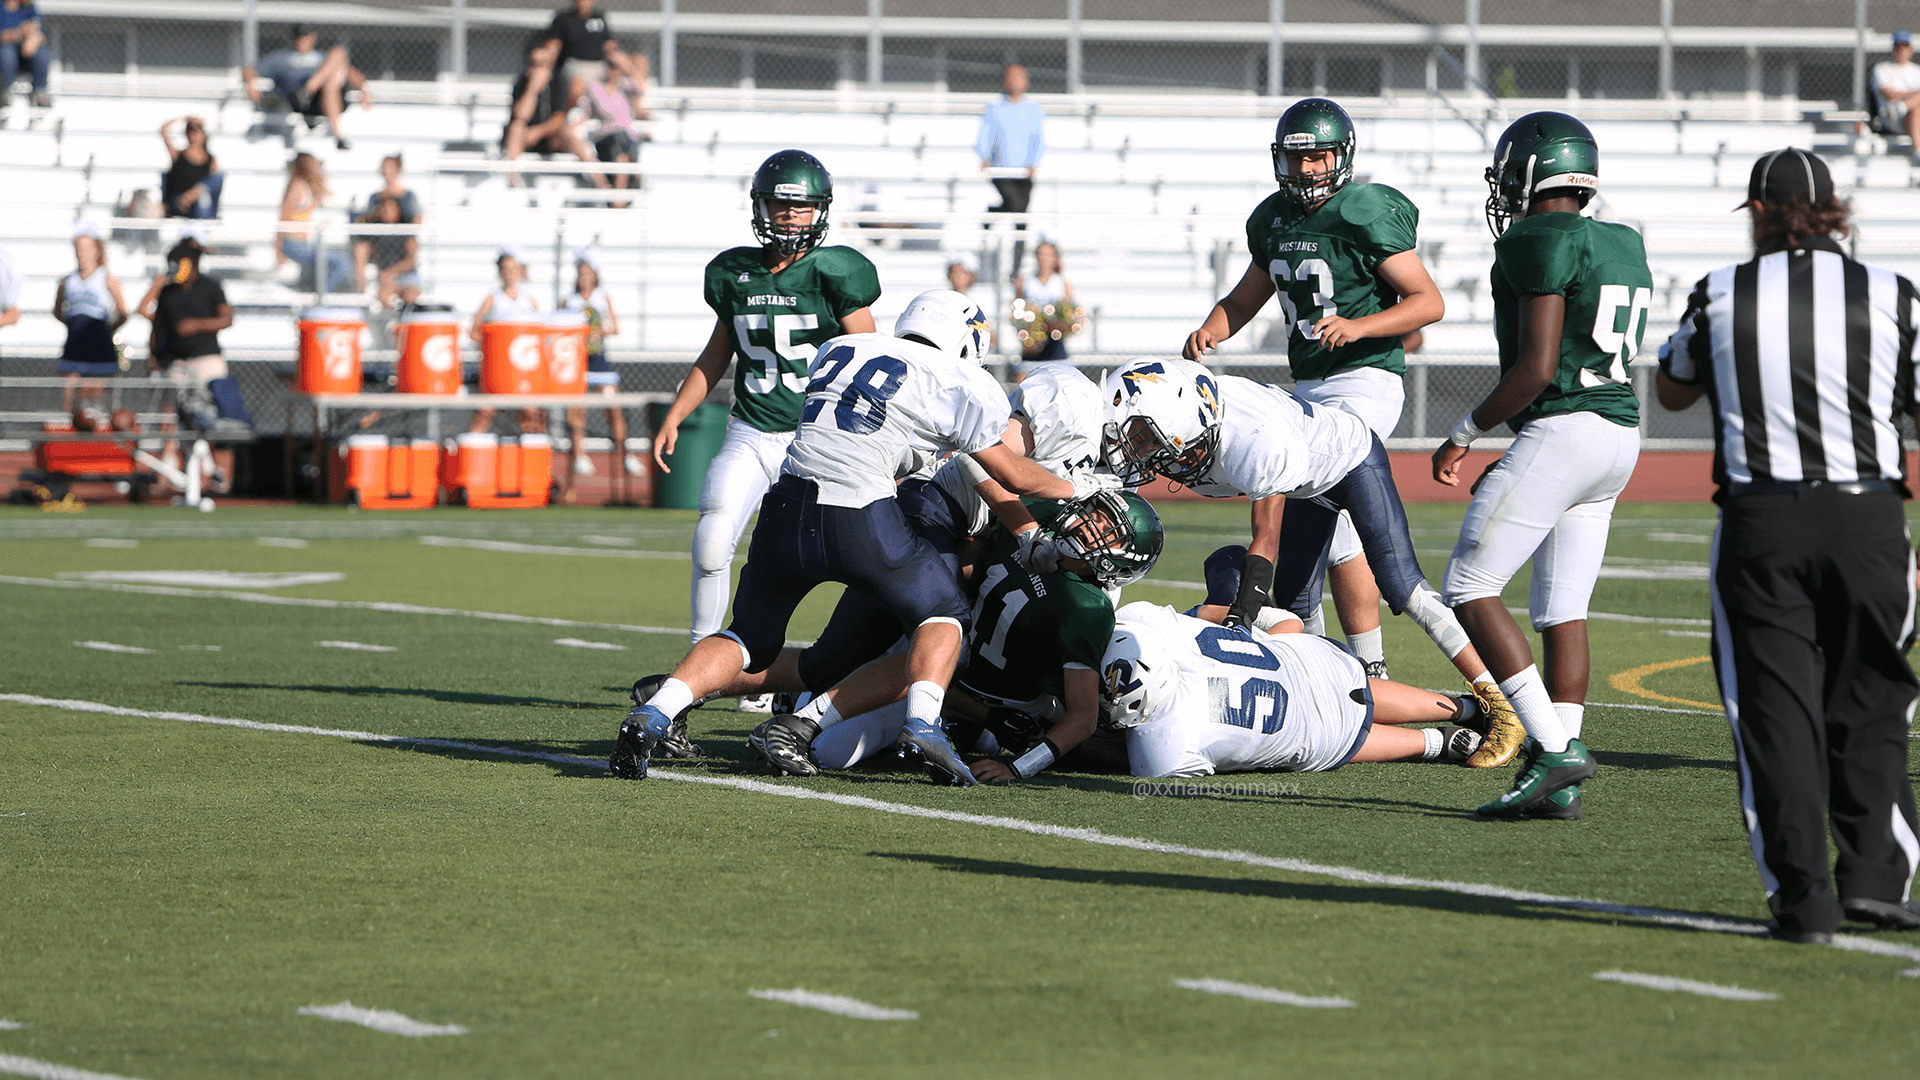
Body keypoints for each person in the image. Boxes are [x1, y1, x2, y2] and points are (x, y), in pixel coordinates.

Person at [614, 290, 1110, 786]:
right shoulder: (961, 378)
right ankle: (923, 724)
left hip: (785, 504)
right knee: (943, 614)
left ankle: (657, 711)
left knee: (747, 636)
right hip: (860, 513)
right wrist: (1080, 488)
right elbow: (1012, 476)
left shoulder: (839, 348)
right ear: (965, 343)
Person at [1656, 147, 1920, 942]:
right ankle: (1875, 879)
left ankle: (1805, 902)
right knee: (1874, 702)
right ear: (1834, 210)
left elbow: (1672, 388)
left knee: (1775, 715)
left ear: (1760, 213)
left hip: (1763, 521)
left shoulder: (1720, 290)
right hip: (1870, 517)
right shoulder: (1893, 293)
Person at [1100, 355, 1522, 755]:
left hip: (1350, 462)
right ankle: (1337, 702)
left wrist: (1239, 620)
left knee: (1402, 586)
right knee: (1296, 609)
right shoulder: (1191, 421)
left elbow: (1266, 539)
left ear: (1185, 424)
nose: (1138, 450)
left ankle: (1502, 702)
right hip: (1305, 483)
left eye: (1145, 438)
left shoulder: (1253, 436)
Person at [1430, 112, 1648, 820]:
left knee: (1470, 585)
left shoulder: (1535, 238)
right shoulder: (1624, 240)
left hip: (1565, 430)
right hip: (1619, 435)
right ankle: (1564, 777)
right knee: (1563, 609)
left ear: (1529, 173)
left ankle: (1555, 751)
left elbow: (1536, 370)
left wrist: (1464, 432)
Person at [1185, 97, 1446, 682]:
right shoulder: (1273, 218)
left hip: (1365, 380)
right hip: (1309, 387)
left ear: (1341, 156)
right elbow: (1243, 299)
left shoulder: (1364, 211)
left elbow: (1428, 302)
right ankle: (1341, 665)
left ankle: (1356, 666)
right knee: (1334, 526)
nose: (1306, 169)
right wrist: (1210, 329)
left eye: (1318, 157)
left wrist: (1359, 327)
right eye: (1296, 158)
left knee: (1326, 506)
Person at [652, 149, 880, 713]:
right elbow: (716, 356)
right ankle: (699, 671)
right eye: (780, 204)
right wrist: (676, 413)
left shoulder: (835, 272)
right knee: (712, 540)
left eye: (801, 207)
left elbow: (873, 358)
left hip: (819, 442)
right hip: (752, 431)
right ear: (760, 206)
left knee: (844, 558)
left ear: (821, 211)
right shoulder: (735, 273)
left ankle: (822, 673)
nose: (790, 216)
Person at [768, 491, 1164, 782]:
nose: (1090, 524)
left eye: (1108, 529)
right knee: (828, 742)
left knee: (829, 751)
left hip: (984, 701)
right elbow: (969, 548)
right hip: (931, 670)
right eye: (1096, 512)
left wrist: (1018, 768)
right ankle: (818, 698)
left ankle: (951, 732)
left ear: (1123, 561)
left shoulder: (1089, 610)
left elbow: (1082, 715)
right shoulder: (1037, 520)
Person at [1101, 602, 1487, 778]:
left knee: (1333, 732)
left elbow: (1127, 755)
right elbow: (1205, 612)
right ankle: (1467, 707)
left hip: (1317, 734)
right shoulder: (1147, 623)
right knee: (1354, 688)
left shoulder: (1163, 746)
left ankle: (1437, 743)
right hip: (1311, 658)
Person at [143, 241, 237, 489]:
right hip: (176, 362)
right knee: (171, 416)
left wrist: (197, 325)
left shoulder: (210, 286)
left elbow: (227, 318)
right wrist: (153, 354)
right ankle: (167, 473)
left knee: (213, 416)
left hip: (206, 360)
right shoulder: (168, 291)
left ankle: (219, 475)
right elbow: (154, 322)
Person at [562, 246, 635, 486]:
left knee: (612, 406)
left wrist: (597, 331)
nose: (584, 278)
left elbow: (615, 327)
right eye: (581, 273)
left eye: (588, 274)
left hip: (599, 360)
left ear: (594, 275)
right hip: (576, 361)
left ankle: (624, 453)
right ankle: (580, 454)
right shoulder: (568, 300)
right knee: (578, 410)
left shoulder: (602, 297)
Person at [500, 36, 608, 191]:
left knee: (568, 131)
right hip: (527, 138)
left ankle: (600, 179)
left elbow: (559, 118)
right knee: (516, 128)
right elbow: (520, 116)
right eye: (535, 64)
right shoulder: (522, 82)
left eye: (544, 64)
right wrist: (532, 89)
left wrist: (538, 132)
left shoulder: (558, 81)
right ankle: (512, 179)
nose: (539, 69)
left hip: (551, 137)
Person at [244, 24, 369, 151]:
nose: (303, 41)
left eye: (306, 37)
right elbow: (249, 70)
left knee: (338, 53)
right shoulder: (281, 58)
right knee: (336, 62)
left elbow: (352, 74)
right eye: (299, 37)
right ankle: (336, 132)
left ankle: (309, 89)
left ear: (313, 37)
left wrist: (364, 90)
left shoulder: (323, 57)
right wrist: (251, 85)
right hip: (298, 100)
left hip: (323, 98)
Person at [976, 63, 1045, 280]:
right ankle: (1015, 268)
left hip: (1024, 173)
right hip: (1001, 170)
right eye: (1012, 77)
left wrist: (1033, 162)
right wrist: (984, 157)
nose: (1016, 81)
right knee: (1018, 209)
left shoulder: (1033, 109)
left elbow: (1038, 139)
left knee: (1021, 219)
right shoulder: (994, 108)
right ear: (1005, 81)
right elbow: (985, 134)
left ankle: (1016, 268)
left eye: (1020, 77)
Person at [53, 222, 129, 416]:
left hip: (98, 345)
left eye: (86, 248)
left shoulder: (105, 277)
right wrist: (74, 325)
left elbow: (122, 312)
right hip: (74, 345)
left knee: (94, 402)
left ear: (96, 251)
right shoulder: (67, 280)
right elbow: (58, 311)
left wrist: (106, 329)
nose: (81, 253)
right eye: (78, 248)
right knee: (69, 398)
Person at [468, 246, 545, 436]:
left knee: (531, 414)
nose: (509, 273)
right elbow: (474, 331)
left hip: (523, 370)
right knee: (485, 412)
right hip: (498, 369)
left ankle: (533, 451)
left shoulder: (529, 298)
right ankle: (472, 448)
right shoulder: (493, 298)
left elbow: (540, 331)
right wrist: (493, 348)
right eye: (505, 269)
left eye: (513, 268)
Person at [542, 0, 649, 116]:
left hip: (601, 65)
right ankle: (568, 117)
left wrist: (618, 57)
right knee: (577, 87)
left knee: (639, 60)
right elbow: (554, 46)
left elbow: (609, 43)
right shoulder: (563, 18)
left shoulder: (599, 17)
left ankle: (637, 106)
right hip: (576, 65)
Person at [277, 153, 352, 295]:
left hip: (303, 242)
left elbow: (326, 195)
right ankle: (321, 297)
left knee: (340, 260)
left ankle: (318, 293)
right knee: (342, 263)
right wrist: (278, 250)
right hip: (293, 243)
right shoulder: (297, 187)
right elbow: (283, 219)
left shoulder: (306, 186)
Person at [585, 66, 648, 203]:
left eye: (618, 67)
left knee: (623, 154)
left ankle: (619, 200)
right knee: (622, 153)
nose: (615, 71)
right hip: (607, 136)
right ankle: (620, 199)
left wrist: (625, 63)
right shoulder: (596, 87)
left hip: (627, 138)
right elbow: (604, 111)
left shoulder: (625, 85)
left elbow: (643, 88)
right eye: (612, 66)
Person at [351, 194, 421, 312]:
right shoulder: (376, 232)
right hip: (385, 278)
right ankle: (391, 320)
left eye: (391, 207)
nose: (387, 211)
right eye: (383, 208)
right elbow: (360, 223)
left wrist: (391, 272)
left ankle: (405, 318)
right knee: (384, 296)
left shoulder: (406, 231)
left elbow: (411, 260)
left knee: (410, 295)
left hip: (405, 275)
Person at [1014, 239, 1075, 366]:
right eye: (1041, 254)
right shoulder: (1025, 281)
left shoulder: (1062, 282)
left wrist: (1055, 324)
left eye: (1048, 255)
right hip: (1032, 342)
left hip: (1055, 341)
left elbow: (1068, 313)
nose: (1044, 259)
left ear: (1055, 257)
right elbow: (1017, 309)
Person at [159, 117, 221, 220]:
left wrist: (192, 195)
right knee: (202, 196)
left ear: (204, 134)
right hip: (179, 203)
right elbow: (164, 130)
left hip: (201, 204)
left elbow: (213, 188)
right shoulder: (178, 155)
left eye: (197, 130)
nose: (194, 134)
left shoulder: (211, 160)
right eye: (190, 130)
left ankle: (193, 196)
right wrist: (183, 118)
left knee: (216, 180)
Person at [0, 0, 51, 109]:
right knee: (7, 52)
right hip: (6, 57)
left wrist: (33, 39)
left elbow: (41, 35)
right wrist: (21, 34)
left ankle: (39, 92)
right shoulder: (2, 7)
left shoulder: (29, 8)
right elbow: (2, 36)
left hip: (26, 56)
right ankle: (5, 92)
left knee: (42, 52)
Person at [1873, 29, 1920, 145]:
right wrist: (1916, 95)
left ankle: (1903, 106)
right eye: (1898, 47)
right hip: (1892, 118)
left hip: (1913, 115)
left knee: (1916, 110)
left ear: (1911, 49)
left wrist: (1906, 101)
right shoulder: (1882, 69)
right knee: (1915, 110)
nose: (1901, 50)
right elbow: (1890, 94)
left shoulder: (1917, 71)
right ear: (1893, 49)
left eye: (1905, 46)